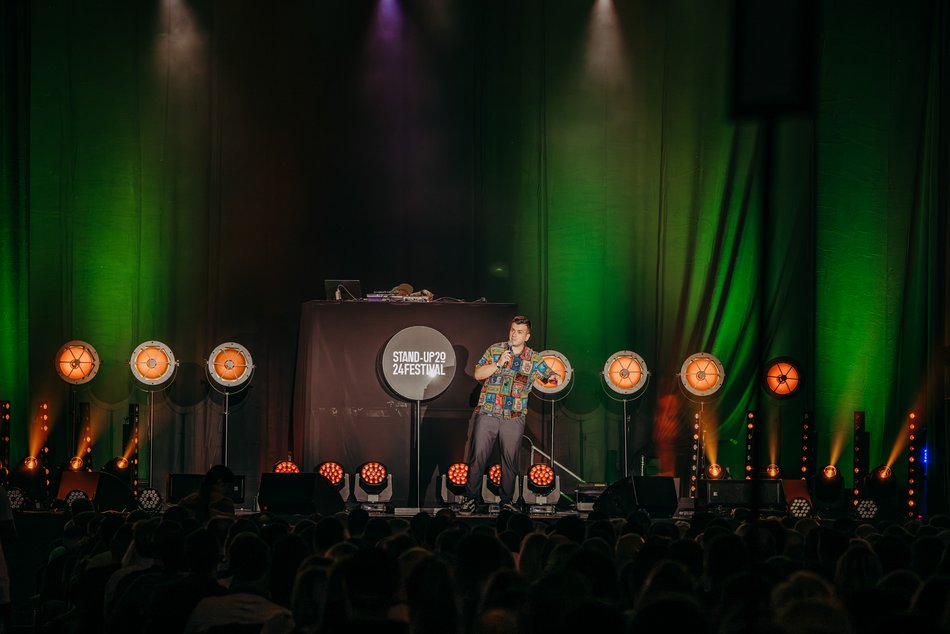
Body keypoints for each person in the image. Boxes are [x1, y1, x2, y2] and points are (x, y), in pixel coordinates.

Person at [459, 316, 557, 514]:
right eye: (512, 330)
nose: (514, 334)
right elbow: (478, 374)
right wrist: (498, 364)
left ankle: (506, 501)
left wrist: (553, 378)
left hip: (514, 415)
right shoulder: (496, 350)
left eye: (519, 332)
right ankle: (471, 499)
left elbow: (550, 378)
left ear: (527, 336)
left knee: (510, 460)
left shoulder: (534, 358)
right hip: (488, 412)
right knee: (478, 456)